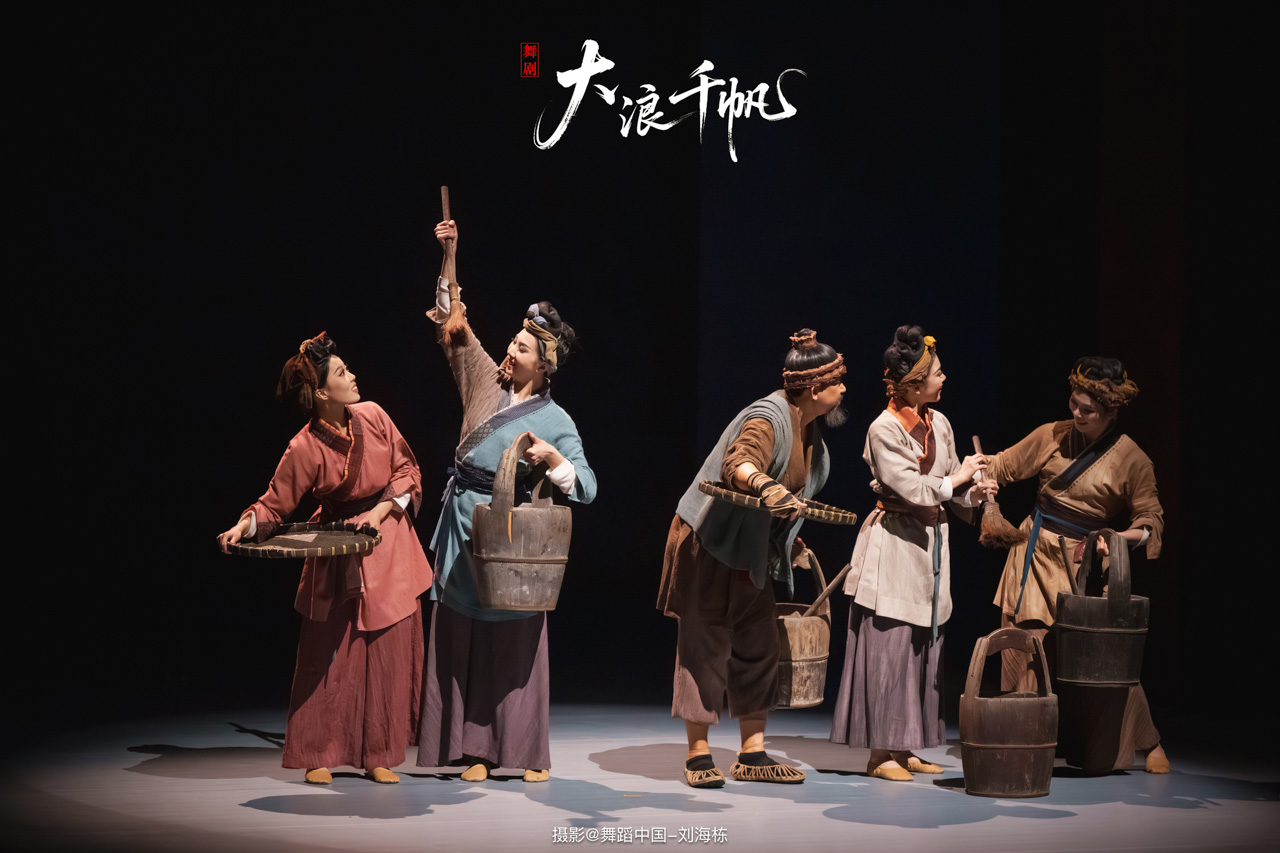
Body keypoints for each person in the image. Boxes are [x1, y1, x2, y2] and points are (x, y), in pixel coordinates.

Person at [417, 219, 596, 783]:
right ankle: (472, 751)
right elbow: (453, 324)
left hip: (511, 539)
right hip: (462, 526)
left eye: (522, 346)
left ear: (544, 364)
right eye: (514, 341)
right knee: (464, 637)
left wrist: (553, 458)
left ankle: (523, 752)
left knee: (512, 641)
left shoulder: (557, 419)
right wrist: (449, 254)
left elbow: (587, 485)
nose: (511, 348)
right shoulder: (484, 382)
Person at [216, 333, 432, 785]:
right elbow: (275, 504)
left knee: (385, 651)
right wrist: (245, 525)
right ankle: (317, 751)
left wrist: (379, 511)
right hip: (336, 545)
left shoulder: (373, 415)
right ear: (320, 393)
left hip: (387, 537)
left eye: (347, 369)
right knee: (328, 652)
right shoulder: (304, 447)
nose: (352, 376)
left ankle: (379, 753)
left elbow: (406, 468)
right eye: (341, 372)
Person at [659, 329, 846, 788]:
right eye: (837, 381)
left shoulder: (810, 432)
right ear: (814, 388)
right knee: (706, 644)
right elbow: (739, 462)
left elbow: (789, 500)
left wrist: (788, 542)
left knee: (759, 644)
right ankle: (698, 754)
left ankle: (752, 752)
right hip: (710, 543)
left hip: (750, 550)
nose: (843, 389)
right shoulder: (768, 417)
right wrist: (764, 485)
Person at [986, 356, 1167, 774]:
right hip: (1034, 553)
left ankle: (1148, 740)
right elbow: (1003, 465)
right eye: (1074, 403)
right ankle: (1023, 741)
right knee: (1024, 645)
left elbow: (1151, 522)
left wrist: (1115, 538)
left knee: (1100, 658)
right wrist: (975, 476)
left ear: (1111, 411)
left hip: (1081, 564)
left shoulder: (1133, 459)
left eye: (1089, 410)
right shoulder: (1051, 434)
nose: (1078, 414)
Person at [830, 326, 994, 782]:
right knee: (891, 647)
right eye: (937, 373)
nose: (944, 378)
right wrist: (958, 479)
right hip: (895, 543)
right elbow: (914, 489)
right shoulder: (883, 429)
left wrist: (975, 493)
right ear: (915, 384)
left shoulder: (940, 423)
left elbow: (950, 489)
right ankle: (880, 754)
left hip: (929, 545)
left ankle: (906, 746)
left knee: (922, 648)